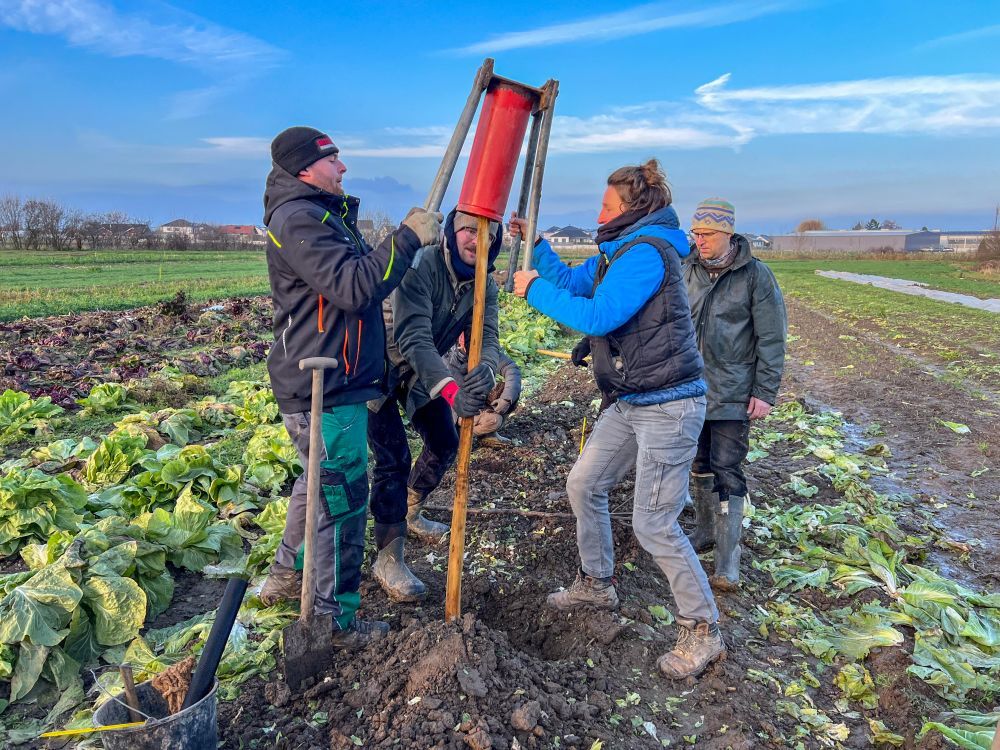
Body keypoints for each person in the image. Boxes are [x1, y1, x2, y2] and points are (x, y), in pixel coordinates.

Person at [511, 160, 725, 680]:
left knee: (653, 522)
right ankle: (596, 583)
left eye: (606, 206)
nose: (599, 214)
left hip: (670, 405)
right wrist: (537, 246)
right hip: (632, 398)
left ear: (631, 209)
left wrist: (531, 290)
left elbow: (598, 316)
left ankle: (704, 631)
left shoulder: (648, 255)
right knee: (584, 482)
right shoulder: (615, 254)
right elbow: (571, 283)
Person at [257, 126, 443, 648]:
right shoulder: (299, 219)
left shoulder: (319, 214)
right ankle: (333, 622)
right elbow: (355, 285)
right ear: (304, 169)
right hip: (324, 383)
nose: (343, 168)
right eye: (333, 160)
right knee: (341, 500)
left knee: (315, 482)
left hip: (334, 376)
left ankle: (285, 574)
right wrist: (405, 240)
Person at [366, 209, 502, 601]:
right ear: (450, 233)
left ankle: (410, 511)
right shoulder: (423, 264)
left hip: (418, 372)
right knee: (392, 457)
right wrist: (450, 390)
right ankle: (389, 558)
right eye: (467, 231)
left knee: (445, 440)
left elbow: (487, 334)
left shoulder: (483, 284)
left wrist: (488, 369)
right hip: (379, 367)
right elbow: (412, 338)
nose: (477, 240)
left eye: (487, 233)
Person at [682, 199, 786, 590]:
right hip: (690, 389)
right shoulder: (685, 270)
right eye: (696, 233)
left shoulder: (756, 276)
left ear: (727, 234)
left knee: (728, 468)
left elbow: (772, 337)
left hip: (733, 392)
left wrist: (765, 391)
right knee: (698, 462)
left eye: (706, 234)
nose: (699, 240)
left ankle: (728, 560)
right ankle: (705, 533)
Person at [444, 338, 522, 446]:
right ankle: (458, 435)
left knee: (507, 390)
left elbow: (511, 368)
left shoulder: (482, 350)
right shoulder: (444, 355)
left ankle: (488, 435)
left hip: (478, 402)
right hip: (455, 410)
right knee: (493, 421)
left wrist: (506, 399)